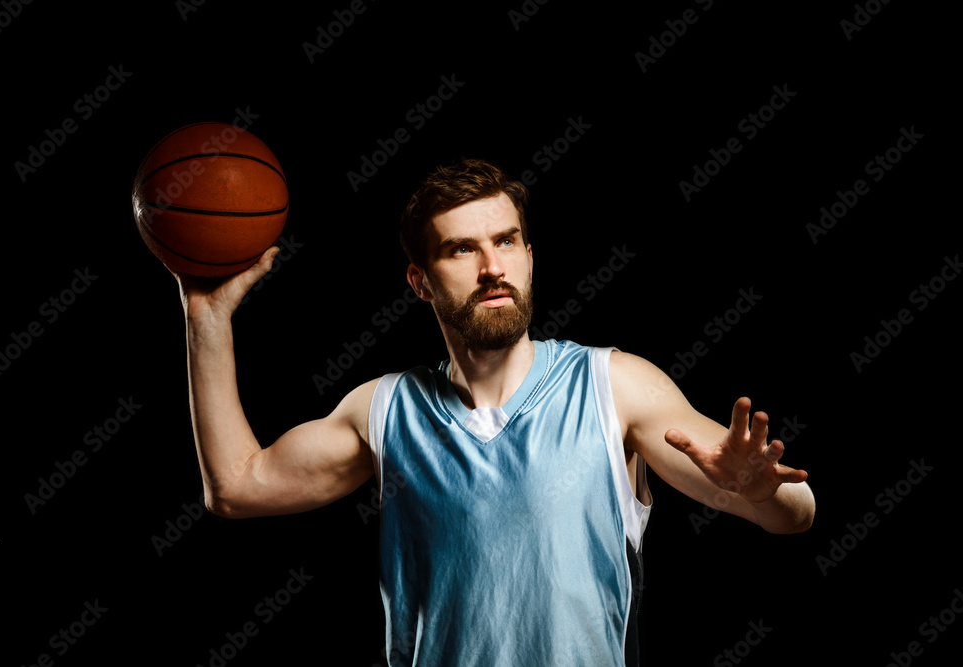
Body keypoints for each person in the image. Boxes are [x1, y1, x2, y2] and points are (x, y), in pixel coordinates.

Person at [175, 158, 815, 666]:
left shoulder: (614, 386)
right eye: (460, 250)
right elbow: (235, 488)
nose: (491, 268)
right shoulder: (383, 410)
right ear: (421, 282)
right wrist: (206, 316)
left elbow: (791, 515)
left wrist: (760, 491)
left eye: (506, 241)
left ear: (529, 256)